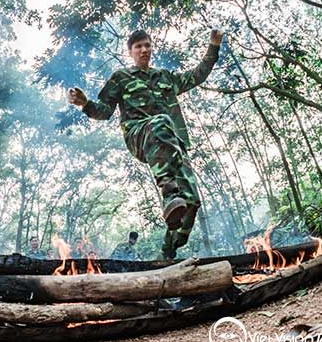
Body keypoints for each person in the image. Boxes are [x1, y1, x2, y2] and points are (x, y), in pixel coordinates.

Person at [69, 29, 223, 259]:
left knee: (192, 201)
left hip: (173, 145)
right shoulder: (121, 78)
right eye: (139, 46)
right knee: (161, 122)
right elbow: (104, 111)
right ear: (130, 52)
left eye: (147, 45)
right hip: (139, 136)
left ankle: (167, 252)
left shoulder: (164, 77)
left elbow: (197, 75)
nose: (144, 50)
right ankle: (169, 194)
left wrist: (214, 45)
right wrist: (85, 104)